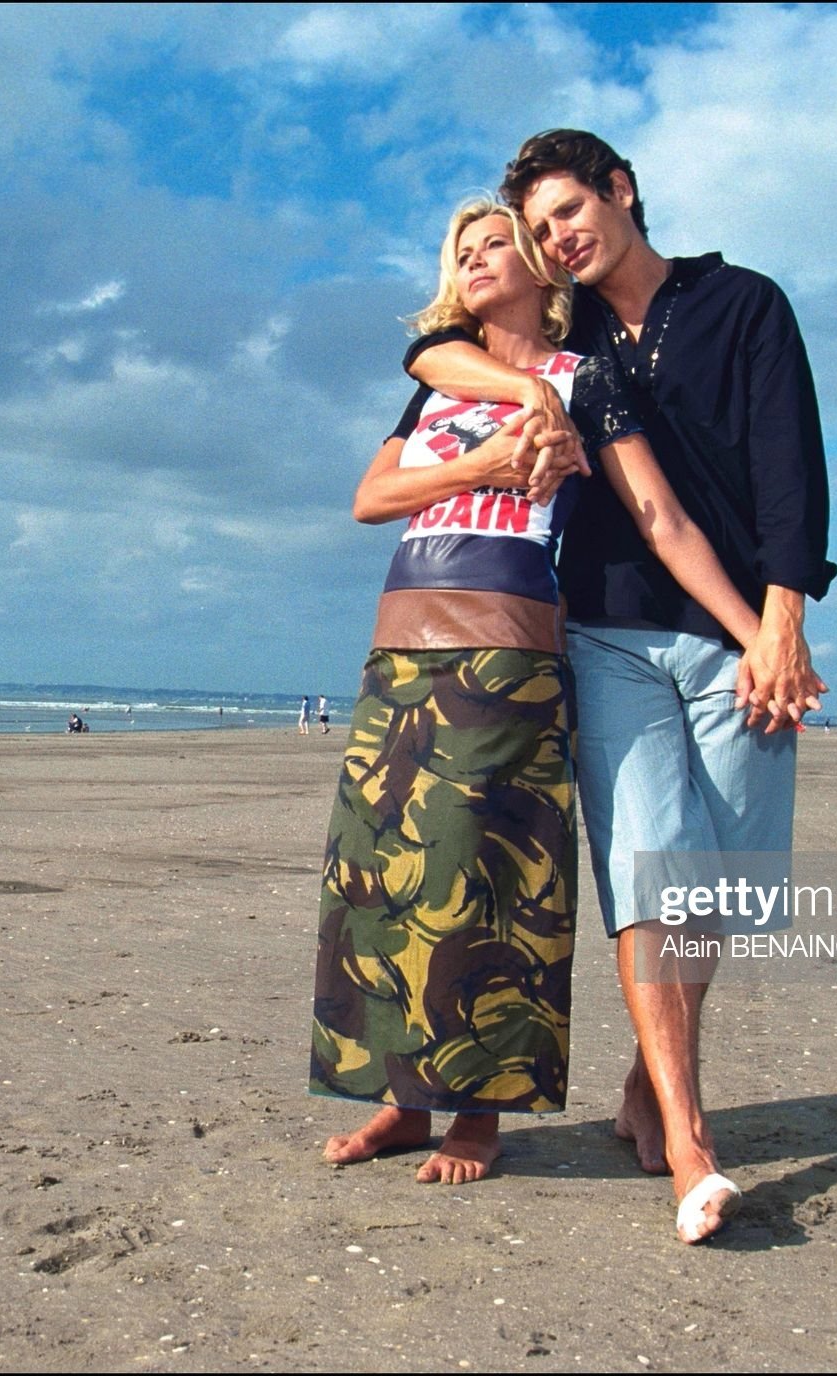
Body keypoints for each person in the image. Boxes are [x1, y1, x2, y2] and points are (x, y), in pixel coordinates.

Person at [405, 131, 835, 1243]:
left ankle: (650, 1080)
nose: (557, 239)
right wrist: (526, 391)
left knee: (723, 879)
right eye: (540, 228)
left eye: (569, 213)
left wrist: (778, 625)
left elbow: (790, 468)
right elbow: (437, 351)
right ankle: (690, 1139)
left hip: (739, 629)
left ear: (621, 191)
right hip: (605, 632)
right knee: (653, 872)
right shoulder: (568, 335)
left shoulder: (743, 305)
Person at [314, 198, 767, 1195]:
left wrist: (757, 631)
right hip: (402, 638)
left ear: (534, 265)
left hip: (509, 642)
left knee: (481, 878)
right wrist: (489, 455)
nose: (476, 260)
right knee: (381, 872)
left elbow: (659, 518)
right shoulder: (441, 375)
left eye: (494, 246)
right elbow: (369, 498)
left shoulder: (585, 379)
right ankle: (403, 1099)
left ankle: (477, 1113)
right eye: (462, 251)